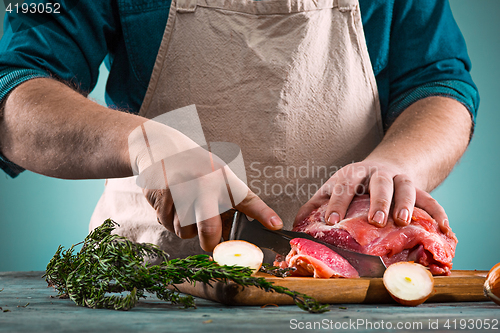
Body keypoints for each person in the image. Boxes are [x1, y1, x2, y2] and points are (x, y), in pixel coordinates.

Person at [0, 0, 477, 258]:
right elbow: (15, 93)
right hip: (150, 285)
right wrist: (148, 142)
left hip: (351, 290)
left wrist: (398, 162)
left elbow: (438, 82)